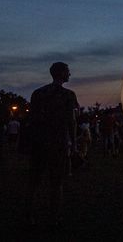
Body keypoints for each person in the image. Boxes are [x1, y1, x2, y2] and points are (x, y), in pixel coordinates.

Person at [24, 62, 78, 226]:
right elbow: (72, 121)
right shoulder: (68, 95)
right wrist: (73, 143)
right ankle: (54, 218)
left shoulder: (38, 93)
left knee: (34, 182)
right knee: (56, 182)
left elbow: (32, 119)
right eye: (68, 71)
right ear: (61, 73)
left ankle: (29, 216)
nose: (70, 74)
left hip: (39, 141)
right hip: (57, 142)